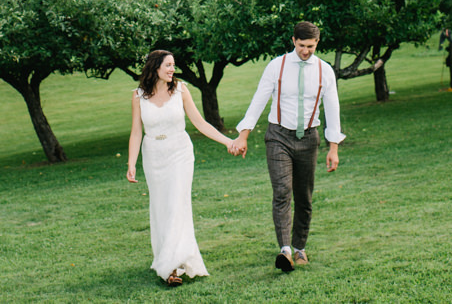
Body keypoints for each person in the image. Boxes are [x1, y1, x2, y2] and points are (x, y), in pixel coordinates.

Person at [230, 21, 344, 272]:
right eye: (302, 45)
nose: (306, 51)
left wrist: (333, 147)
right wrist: (243, 135)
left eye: (311, 46)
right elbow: (258, 100)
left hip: (309, 138)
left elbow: (333, 108)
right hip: (278, 136)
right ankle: (285, 250)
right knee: (282, 191)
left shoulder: (325, 71)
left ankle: (299, 247)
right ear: (293, 41)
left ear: (317, 43)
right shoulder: (276, 66)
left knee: (304, 197)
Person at [126, 49, 234, 286]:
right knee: (162, 207)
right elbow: (136, 132)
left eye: (173, 65)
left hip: (180, 153)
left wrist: (228, 141)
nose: (172, 69)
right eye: (168, 65)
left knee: (177, 205)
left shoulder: (181, 89)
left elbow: (199, 122)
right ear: (154, 67)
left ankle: (172, 267)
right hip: (154, 155)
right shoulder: (138, 96)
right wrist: (131, 163)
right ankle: (168, 258)